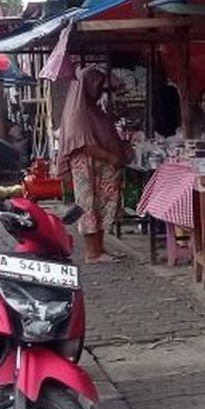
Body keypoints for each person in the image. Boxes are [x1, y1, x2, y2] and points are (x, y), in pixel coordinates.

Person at [56, 66, 129, 263]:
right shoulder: (78, 112)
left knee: (100, 206)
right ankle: (92, 252)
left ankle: (100, 248)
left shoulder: (91, 108)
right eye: (97, 86)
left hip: (100, 167)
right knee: (88, 206)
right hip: (87, 166)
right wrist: (109, 156)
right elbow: (81, 145)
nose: (99, 91)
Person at [151, 64, 181, 139]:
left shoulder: (172, 90)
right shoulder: (154, 93)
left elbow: (178, 109)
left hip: (171, 127)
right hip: (160, 128)